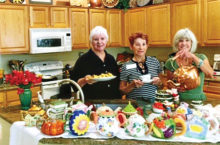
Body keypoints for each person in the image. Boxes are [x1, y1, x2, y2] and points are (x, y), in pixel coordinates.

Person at [70, 26, 121, 101]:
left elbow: (117, 79)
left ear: (106, 40)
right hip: (93, 102)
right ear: (91, 41)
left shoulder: (111, 58)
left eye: (102, 39)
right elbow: (74, 84)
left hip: (113, 101)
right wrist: (85, 80)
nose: (99, 42)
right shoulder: (83, 60)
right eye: (96, 39)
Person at [165, 28, 213, 101]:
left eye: (187, 40)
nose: (184, 43)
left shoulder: (201, 57)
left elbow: (210, 74)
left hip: (198, 101)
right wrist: (173, 87)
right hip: (178, 101)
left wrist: (193, 57)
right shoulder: (171, 61)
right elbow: (169, 83)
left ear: (191, 43)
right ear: (176, 43)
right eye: (181, 41)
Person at [120, 32, 162, 103]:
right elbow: (121, 90)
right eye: (137, 45)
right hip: (134, 103)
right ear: (131, 46)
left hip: (153, 102)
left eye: (143, 44)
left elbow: (163, 83)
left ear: (147, 46)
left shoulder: (155, 62)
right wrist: (132, 86)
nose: (141, 48)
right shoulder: (126, 66)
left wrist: (159, 82)